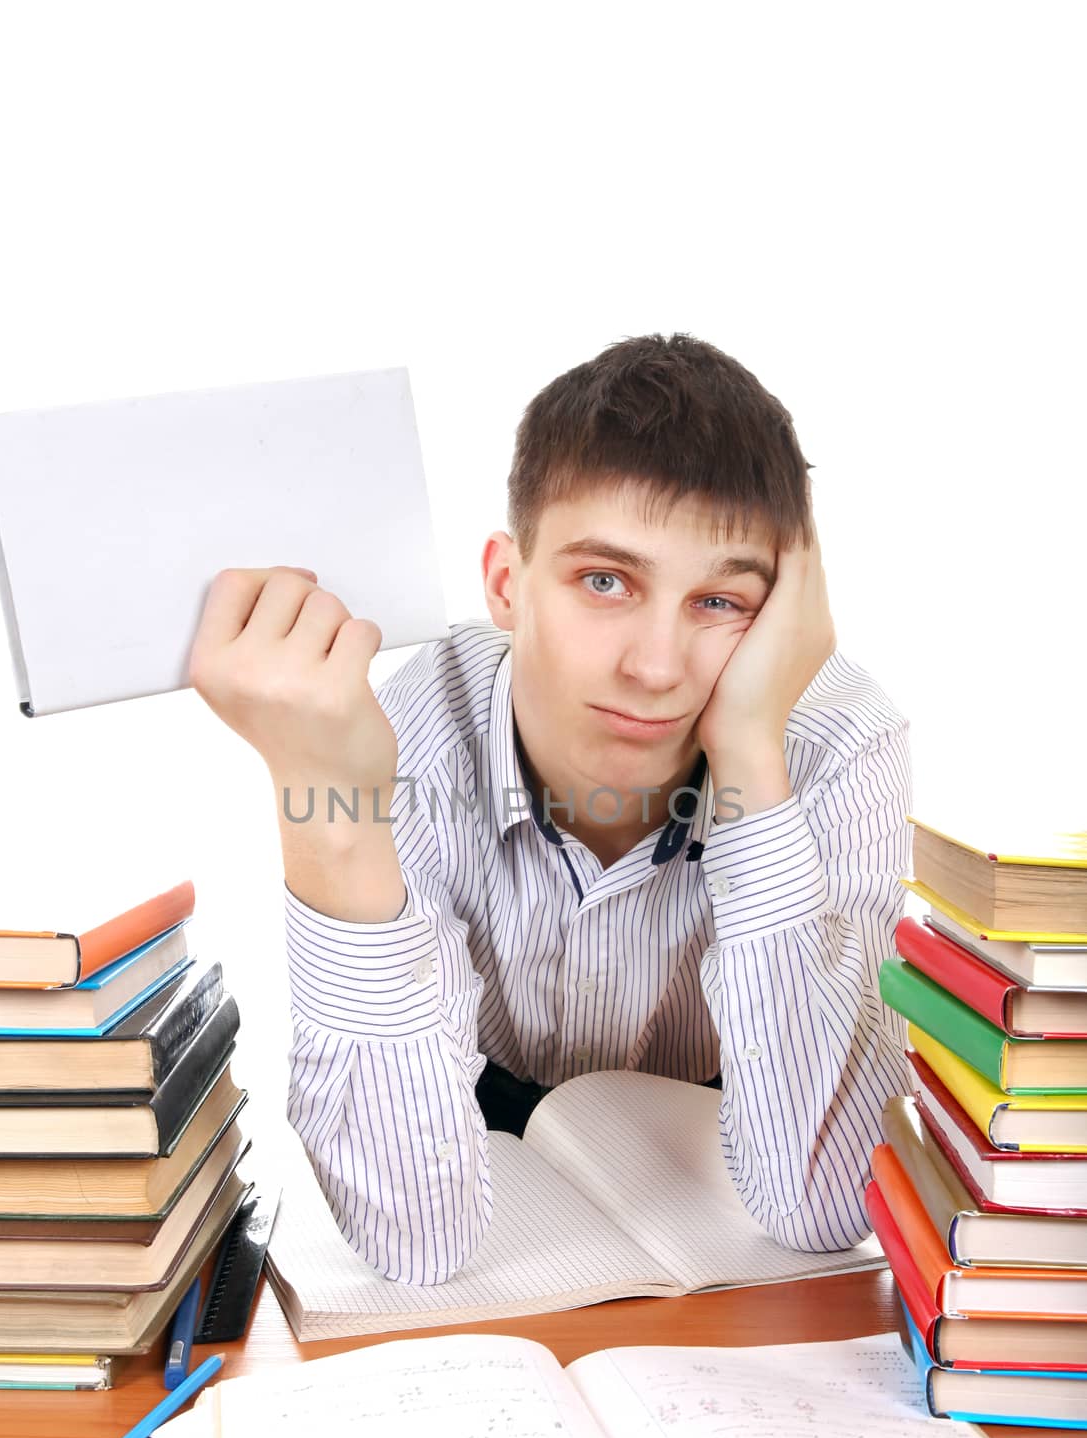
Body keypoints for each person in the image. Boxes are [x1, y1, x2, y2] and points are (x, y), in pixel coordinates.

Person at [189, 332, 913, 1286]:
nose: (655, 668)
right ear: (505, 583)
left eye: (719, 603)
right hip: (480, 1140)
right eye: (604, 581)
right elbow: (415, 1241)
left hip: (712, 1165)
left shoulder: (838, 742)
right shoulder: (403, 734)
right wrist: (335, 822)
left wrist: (749, 753)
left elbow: (822, 1207)